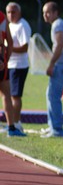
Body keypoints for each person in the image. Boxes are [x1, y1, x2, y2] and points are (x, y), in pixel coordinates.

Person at [41, 1, 63, 138]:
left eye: (48, 12)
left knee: (53, 96)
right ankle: (53, 127)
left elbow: (60, 45)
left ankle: (57, 130)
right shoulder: (59, 24)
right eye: (43, 12)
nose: (45, 15)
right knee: (51, 94)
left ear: (56, 12)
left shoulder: (58, 24)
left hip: (62, 65)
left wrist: (51, 64)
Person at [6, 2, 32, 132]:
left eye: (14, 12)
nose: (11, 15)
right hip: (9, 64)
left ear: (19, 12)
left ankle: (16, 123)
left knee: (15, 96)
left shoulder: (23, 25)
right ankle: (11, 121)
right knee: (8, 95)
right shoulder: (9, 25)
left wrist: (8, 48)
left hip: (19, 65)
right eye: (9, 12)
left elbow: (24, 47)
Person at [0, 8, 25, 137]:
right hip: (2, 61)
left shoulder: (2, 18)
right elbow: (9, 42)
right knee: (6, 95)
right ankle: (11, 127)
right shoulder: (2, 17)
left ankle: (11, 127)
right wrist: (6, 58)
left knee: (6, 94)